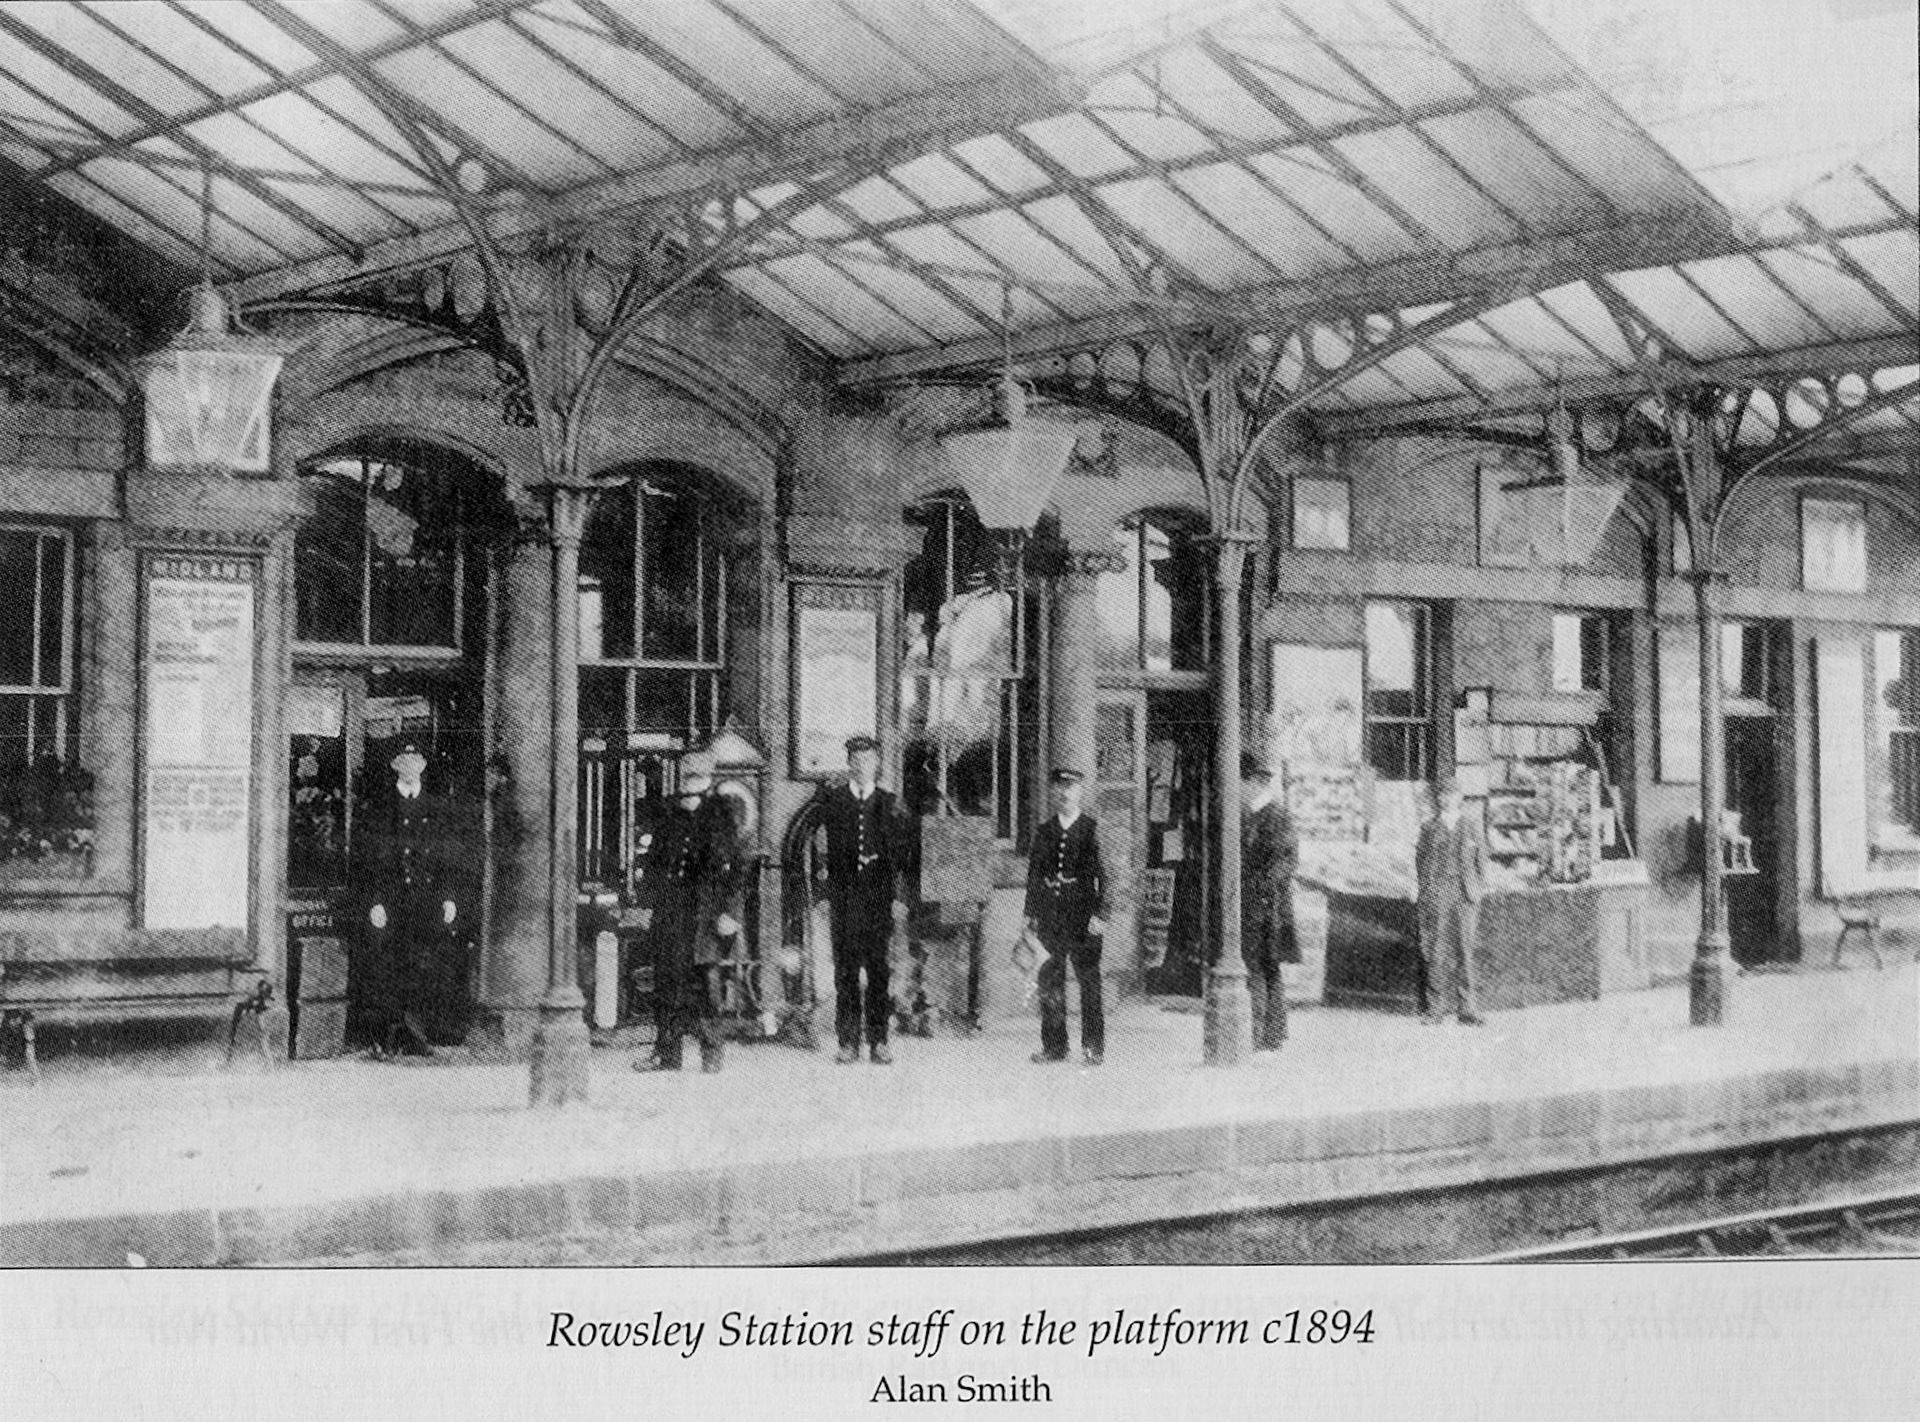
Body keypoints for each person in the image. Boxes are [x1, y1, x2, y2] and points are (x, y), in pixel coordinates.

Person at [632, 750, 744, 1074]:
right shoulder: (669, 810)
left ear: (709, 772)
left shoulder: (722, 811)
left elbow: (736, 870)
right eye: (687, 768)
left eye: (698, 768)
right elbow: (652, 864)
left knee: (706, 981)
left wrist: (729, 913)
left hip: (707, 911)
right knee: (668, 979)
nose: (692, 773)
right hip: (672, 908)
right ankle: (667, 1053)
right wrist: (648, 903)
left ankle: (712, 1051)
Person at [355, 741, 459, 1058]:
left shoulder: (436, 808)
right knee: (388, 966)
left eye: (416, 761)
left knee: (422, 966)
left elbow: (446, 858)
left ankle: (416, 1034)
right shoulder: (380, 808)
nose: (411, 766)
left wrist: (449, 898)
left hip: (425, 901)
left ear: (424, 766)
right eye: (404, 761)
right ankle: (388, 1035)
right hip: (391, 901)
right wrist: (375, 901)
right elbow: (369, 860)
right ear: (395, 766)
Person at [817, 734, 910, 1065]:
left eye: (867, 760)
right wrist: (823, 894)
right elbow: (822, 852)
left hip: (878, 902)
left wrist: (899, 898)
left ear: (877, 763)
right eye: (855, 761)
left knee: (878, 972)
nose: (861, 766)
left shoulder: (889, 803)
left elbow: (903, 857)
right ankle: (847, 1042)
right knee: (845, 973)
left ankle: (879, 1041)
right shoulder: (834, 802)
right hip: (844, 901)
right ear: (848, 764)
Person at [1025, 767, 1109, 1065]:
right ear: (1052, 792)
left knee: (1089, 983)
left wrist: (1101, 913)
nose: (1064, 793)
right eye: (1059, 788)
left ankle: (1093, 1047)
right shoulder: (1044, 831)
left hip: (1084, 918)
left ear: (1080, 792)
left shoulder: (1091, 829)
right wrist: (1031, 914)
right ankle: (1054, 1046)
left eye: (1070, 788)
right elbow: (1035, 875)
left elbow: (1106, 876)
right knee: (1050, 982)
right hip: (1051, 918)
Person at [1415, 778, 1486, 1026]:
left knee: (1466, 949)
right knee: (1437, 949)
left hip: (1465, 894)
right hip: (1439, 893)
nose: (1447, 798)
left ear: (1460, 797)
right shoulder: (1429, 827)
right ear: (1438, 799)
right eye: (1443, 794)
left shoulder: (1471, 825)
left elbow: (1481, 860)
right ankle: (1436, 1009)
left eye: (1452, 794)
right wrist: (1428, 889)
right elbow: (1420, 861)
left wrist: (1476, 888)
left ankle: (1468, 1009)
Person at [1241, 752, 1299, 1051]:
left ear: (1256, 782)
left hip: (1267, 905)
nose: (1240, 790)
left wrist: (1262, 889)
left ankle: (1261, 1034)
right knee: (1264, 966)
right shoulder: (1251, 813)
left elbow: (1286, 861)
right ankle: (1270, 1034)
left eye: (1243, 783)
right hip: (1258, 903)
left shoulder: (1275, 814)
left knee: (1260, 965)